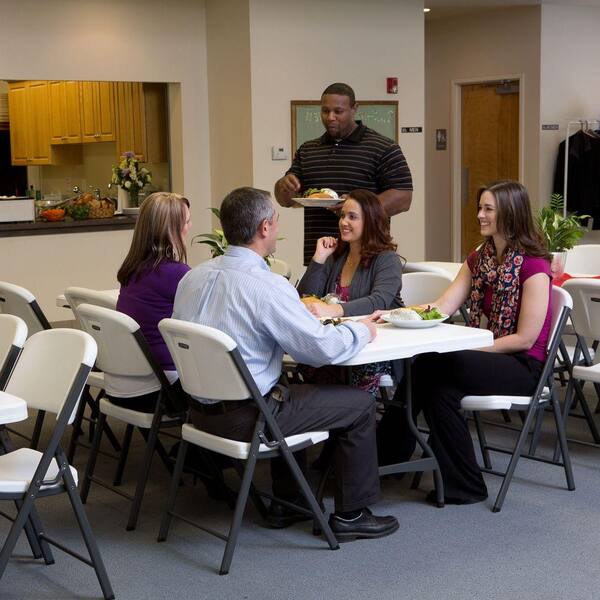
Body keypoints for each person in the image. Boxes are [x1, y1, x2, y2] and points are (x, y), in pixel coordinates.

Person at [173, 186, 399, 540]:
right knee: (358, 403)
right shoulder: (266, 286)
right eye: (276, 222)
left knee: (281, 388)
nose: (277, 229)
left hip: (199, 416)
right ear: (265, 228)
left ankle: (289, 501)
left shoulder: (192, 278)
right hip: (249, 420)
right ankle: (352, 515)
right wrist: (362, 332)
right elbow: (318, 349)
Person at [377, 180, 553, 505]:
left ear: (510, 215)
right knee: (439, 392)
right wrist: (393, 313)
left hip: (524, 366)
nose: (480, 215)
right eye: (481, 207)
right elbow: (442, 306)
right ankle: (466, 485)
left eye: (488, 209)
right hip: (488, 355)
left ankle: (384, 457)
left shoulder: (534, 266)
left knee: (429, 363)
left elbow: (525, 339)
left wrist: (468, 346)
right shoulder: (480, 258)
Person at [274, 82, 413, 265]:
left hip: (367, 256)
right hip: (320, 256)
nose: (330, 117)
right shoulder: (308, 150)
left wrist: (357, 208)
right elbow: (286, 200)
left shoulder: (384, 148)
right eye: (325, 111)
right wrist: (284, 186)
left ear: (354, 109)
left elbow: (404, 197)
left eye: (338, 111)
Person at [297, 188, 403, 394]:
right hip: (341, 340)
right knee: (310, 361)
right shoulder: (337, 255)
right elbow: (305, 297)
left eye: (352, 217)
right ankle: (331, 418)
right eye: (343, 215)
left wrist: (333, 310)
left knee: (344, 367)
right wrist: (319, 259)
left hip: (376, 346)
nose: (343, 221)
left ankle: (352, 417)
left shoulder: (387, 259)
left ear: (370, 221)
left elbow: (379, 300)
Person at [109, 191, 192, 413]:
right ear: (171, 229)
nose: (189, 227)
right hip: (158, 390)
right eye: (187, 221)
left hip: (123, 383)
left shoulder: (134, 270)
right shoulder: (175, 273)